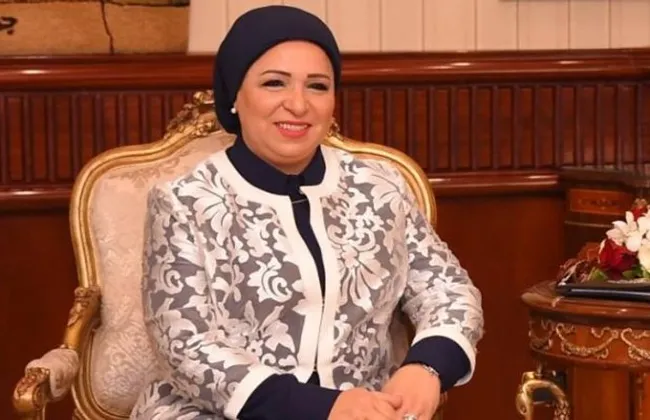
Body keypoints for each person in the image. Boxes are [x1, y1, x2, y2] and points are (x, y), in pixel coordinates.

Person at [131, 5, 484, 420]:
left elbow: (448, 290)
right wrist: (324, 407)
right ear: (234, 96)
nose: (298, 104)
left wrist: (426, 367)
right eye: (274, 83)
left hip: (366, 411)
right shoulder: (184, 201)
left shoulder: (380, 187)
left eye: (317, 86)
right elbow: (184, 346)